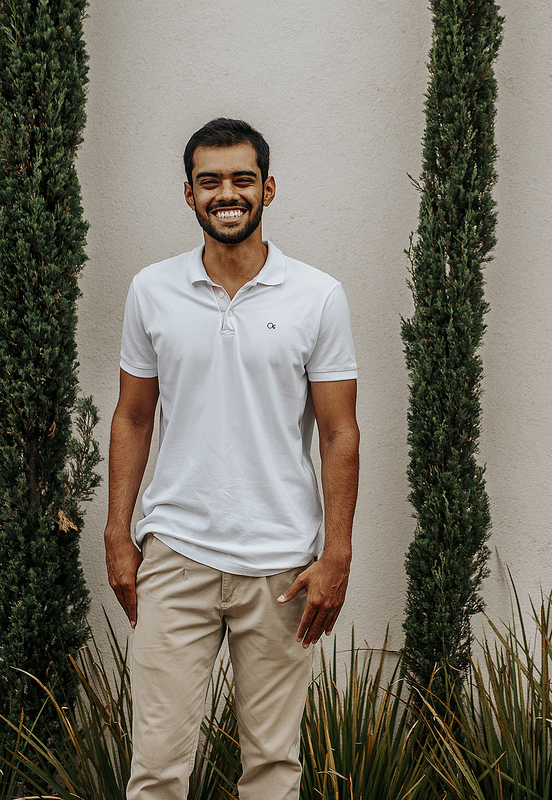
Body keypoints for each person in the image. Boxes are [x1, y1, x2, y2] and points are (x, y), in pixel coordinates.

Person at [103, 118, 360, 800]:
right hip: (176, 555)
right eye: (210, 180)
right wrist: (117, 534)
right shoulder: (151, 290)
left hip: (281, 567)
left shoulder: (317, 296)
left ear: (268, 189)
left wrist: (337, 555)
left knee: (273, 769)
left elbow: (340, 434)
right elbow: (132, 417)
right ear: (188, 194)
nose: (227, 193)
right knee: (156, 768)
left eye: (242, 180)